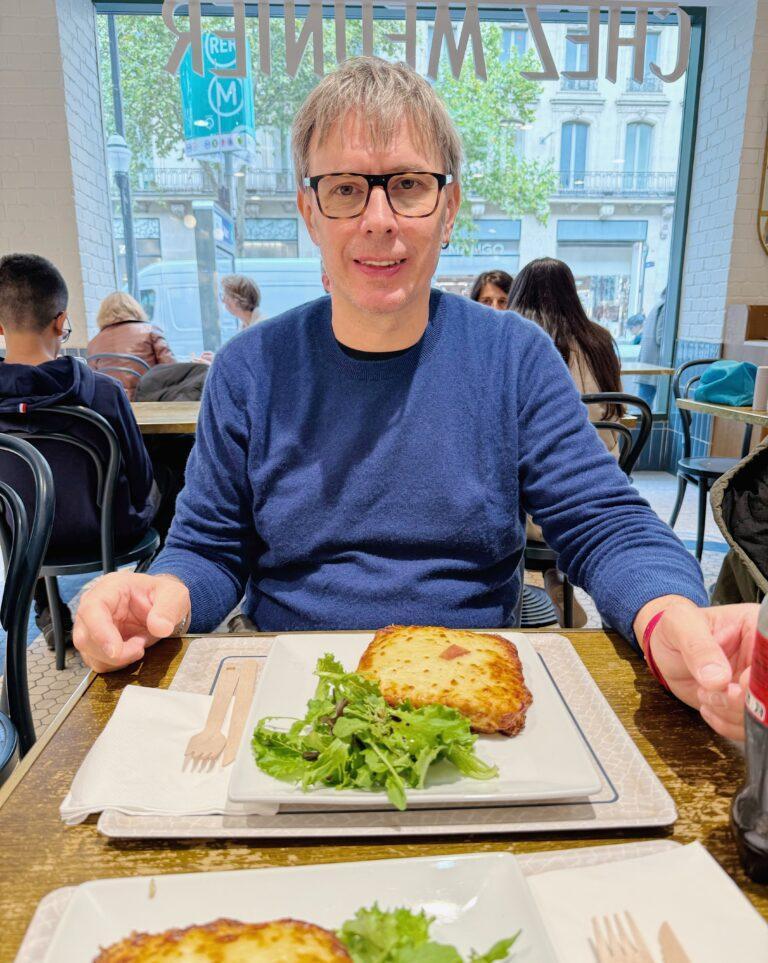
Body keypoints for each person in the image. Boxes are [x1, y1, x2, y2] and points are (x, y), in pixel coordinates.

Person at [74, 57, 756, 744]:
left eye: (407, 185)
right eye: (345, 188)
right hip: (293, 692)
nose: (378, 219)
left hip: (475, 692)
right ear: (310, 212)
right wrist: (163, 595)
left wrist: (667, 615)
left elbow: (605, 522)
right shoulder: (250, 368)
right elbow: (210, 546)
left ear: (449, 206)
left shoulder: (514, 358)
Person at [0, 254, 165, 650]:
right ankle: (151, 598)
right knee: (172, 477)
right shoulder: (102, 393)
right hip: (108, 531)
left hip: (25, 539)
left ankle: (47, 606)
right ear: (61, 321)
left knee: (26, 504)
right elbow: (140, 479)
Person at [508, 257, 624, 626]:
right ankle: (557, 580)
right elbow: (616, 413)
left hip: (547, 509)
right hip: (604, 485)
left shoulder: (519, 342)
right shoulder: (601, 340)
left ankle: (539, 585)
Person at [87, 291, 176, 401]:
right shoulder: (150, 331)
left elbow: (94, 381)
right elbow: (172, 370)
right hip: (148, 400)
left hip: (112, 404)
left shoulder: (94, 342)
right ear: (135, 309)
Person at [636, 287, 667, 408]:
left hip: (648, 361)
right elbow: (660, 337)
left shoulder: (658, 305)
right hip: (654, 363)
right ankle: (642, 427)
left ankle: (641, 426)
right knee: (645, 404)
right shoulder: (665, 307)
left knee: (643, 402)